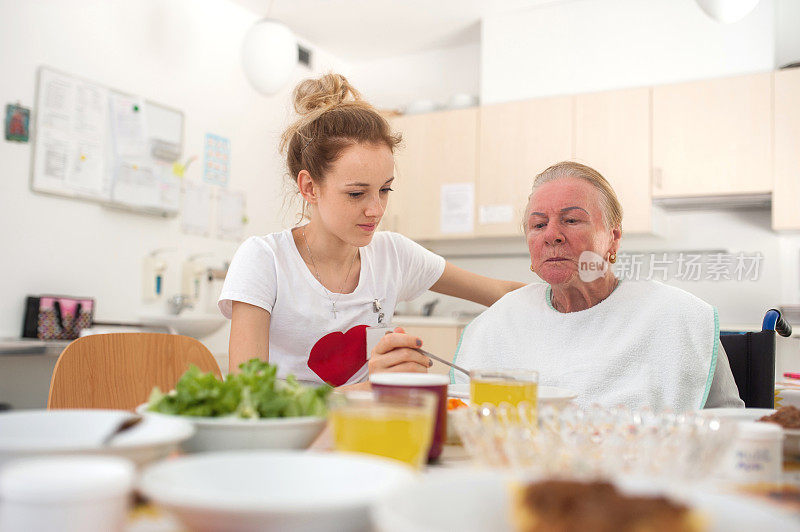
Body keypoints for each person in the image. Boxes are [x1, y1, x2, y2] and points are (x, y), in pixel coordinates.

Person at [218, 73, 524, 388]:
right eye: (356, 194)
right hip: (292, 436)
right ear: (310, 187)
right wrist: (373, 386)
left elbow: (501, 293)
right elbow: (248, 396)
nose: (375, 209)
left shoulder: (394, 254)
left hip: (369, 431)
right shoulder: (264, 259)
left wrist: (569, 292)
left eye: (385, 190)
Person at [373, 161, 743, 411]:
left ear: (612, 240)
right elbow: (465, 423)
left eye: (571, 219)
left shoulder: (676, 316)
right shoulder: (498, 323)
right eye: (537, 225)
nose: (552, 235)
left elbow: (732, 429)